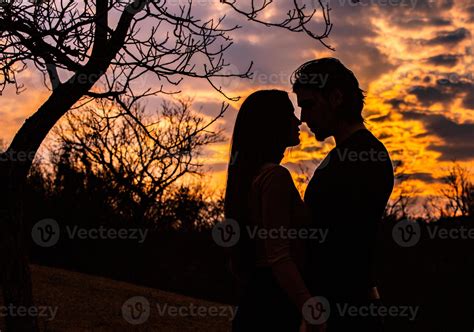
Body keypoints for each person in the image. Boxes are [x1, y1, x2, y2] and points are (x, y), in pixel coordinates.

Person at [292, 58, 394, 331]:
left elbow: (342, 246)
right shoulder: (347, 155)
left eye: (309, 105)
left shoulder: (364, 157)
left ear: (336, 97)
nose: (303, 118)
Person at [224, 90, 314, 331]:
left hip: (256, 299)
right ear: (271, 124)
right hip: (273, 304)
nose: (298, 121)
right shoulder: (275, 177)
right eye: (289, 114)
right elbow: (279, 256)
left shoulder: (248, 178)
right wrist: (310, 307)